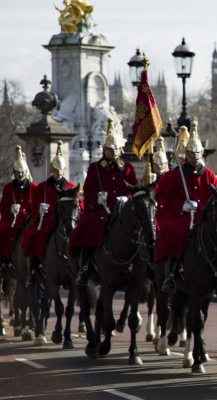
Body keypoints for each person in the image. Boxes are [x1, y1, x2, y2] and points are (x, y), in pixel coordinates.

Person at [155, 121, 217, 294]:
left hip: (204, 216)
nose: (196, 155)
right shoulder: (177, 175)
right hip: (183, 216)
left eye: (198, 152)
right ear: (187, 153)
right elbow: (168, 199)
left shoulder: (209, 175)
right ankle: (172, 272)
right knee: (175, 232)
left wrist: (208, 207)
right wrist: (182, 206)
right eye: (192, 152)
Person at [72, 119, 138, 285]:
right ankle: (85, 268)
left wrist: (127, 198)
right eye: (110, 149)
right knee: (88, 225)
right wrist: (97, 200)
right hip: (101, 209)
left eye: (115, 149)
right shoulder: (95, 168)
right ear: (104, 150)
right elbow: (88, 190)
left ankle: (142, 267)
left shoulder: (128, 168)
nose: (113, 152)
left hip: (123, 209)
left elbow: (134, 189)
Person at [21, 141, 80, 286]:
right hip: (48, 219)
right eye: (55, 169)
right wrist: (40, 210)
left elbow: (79, 206)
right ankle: (34, 269)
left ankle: (84, 268)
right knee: (36, 236)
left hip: (67, 219)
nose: (58, 173)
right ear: (52, 170)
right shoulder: (42, 187)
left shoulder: (72, 187)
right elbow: (32, 207)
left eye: (60, 170)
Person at [0, 147, 38, 279]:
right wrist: (10, 209)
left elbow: (36, 206)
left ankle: (38, 262)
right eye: (18, 172)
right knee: (3, 230)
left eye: (22, 172)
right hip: (13, 218)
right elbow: (3, 207)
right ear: (15, 173)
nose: (20, 175)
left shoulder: (34, 188)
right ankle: (4, 261)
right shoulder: (8, 188)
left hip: (28, 218)